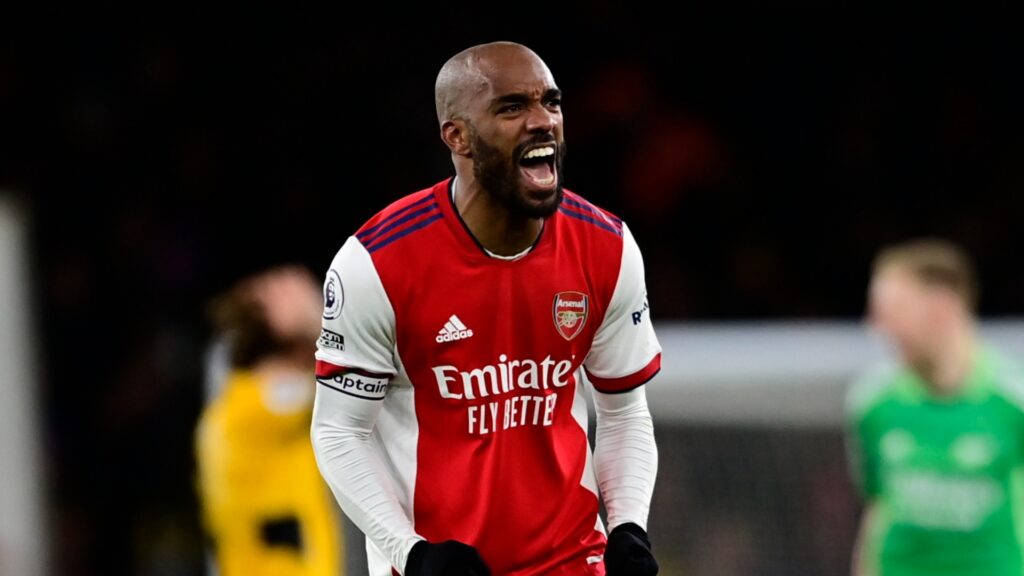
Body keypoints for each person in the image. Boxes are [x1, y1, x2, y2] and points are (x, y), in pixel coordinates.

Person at [310, 42, 661, 576]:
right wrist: (412, 553)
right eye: (512, 107)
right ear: (458, 136)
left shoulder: (607, 246)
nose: (543, 121)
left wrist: (630, 527)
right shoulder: (376, 263)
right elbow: (340, 433)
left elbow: (624, 412)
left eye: (551, 102)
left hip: (571, 560)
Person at [846, 239, 1024, 576]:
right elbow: (876, 509)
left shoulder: (1014, 400)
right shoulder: (873, 401)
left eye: (892, 312)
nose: (878, 327)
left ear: (943, 307)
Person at [196, 266, 343, 576]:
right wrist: (320, 320)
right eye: (280, 289)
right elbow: (345, 381)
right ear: (273, 321)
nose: (295, 281)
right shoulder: (255, 408)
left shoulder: (248, 403)